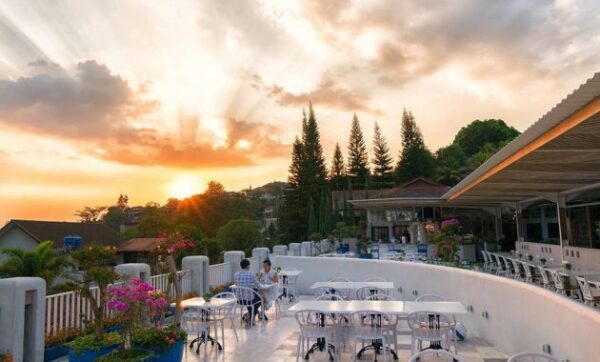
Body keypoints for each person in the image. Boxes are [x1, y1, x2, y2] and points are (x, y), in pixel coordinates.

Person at [234, 258, 263, 324]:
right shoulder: (251, 274)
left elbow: (236, 284)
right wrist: (258, 277)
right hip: (248, 299)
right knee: (260, 299)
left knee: (249, 299)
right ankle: (251, 316)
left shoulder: (236, 274)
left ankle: (249, 316)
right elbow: (258, 286)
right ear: (247, 266)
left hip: (239, 299)